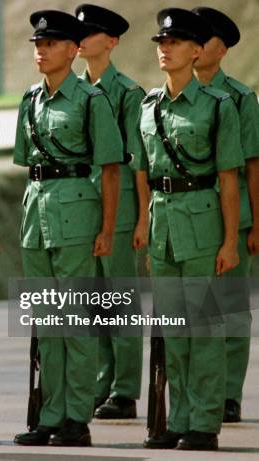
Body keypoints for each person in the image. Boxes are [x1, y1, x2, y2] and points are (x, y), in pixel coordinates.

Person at [12, 10, 122, 447]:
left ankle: (77, 416)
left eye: (51, 43)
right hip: (36, 215)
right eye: (38, 43)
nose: (41, 50)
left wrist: (107, 227)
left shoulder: (91, 99)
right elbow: (29, 165)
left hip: (77, 213)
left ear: (74, 50)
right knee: (46, 321)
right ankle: (50, 415)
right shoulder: (29, 99)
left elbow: (110, 169)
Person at [136, 8, 243, 451]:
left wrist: (231, 240)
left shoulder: (218, 106)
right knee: (173, 330)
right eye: (162, 43)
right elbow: (142, 174)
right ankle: (177, 420)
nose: (166, 50)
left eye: (175, 43)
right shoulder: (147, 108)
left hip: (201, 223)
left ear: (197, 51)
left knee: (205, 331)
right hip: (163, 228)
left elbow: (230, 178)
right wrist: (143, 225)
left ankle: (204, 422)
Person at [75, 3, 144, 420]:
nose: (82, 39)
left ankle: (125, 390)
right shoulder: (75, 87)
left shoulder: (127, 93)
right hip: (81, 207)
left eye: (92, 32)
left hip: (118, 209)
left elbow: (137, 163)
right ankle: (100, 382)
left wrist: (141, 219)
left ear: (112, 42)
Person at [192, 6, 258, 424]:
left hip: (236, 216)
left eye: (206, 40)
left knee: (231, 308)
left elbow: (253, 164)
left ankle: (229, 393)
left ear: (223, 50)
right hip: (190, 218)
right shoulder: (168, 95)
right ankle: (197, 392)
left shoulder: (240, 97)